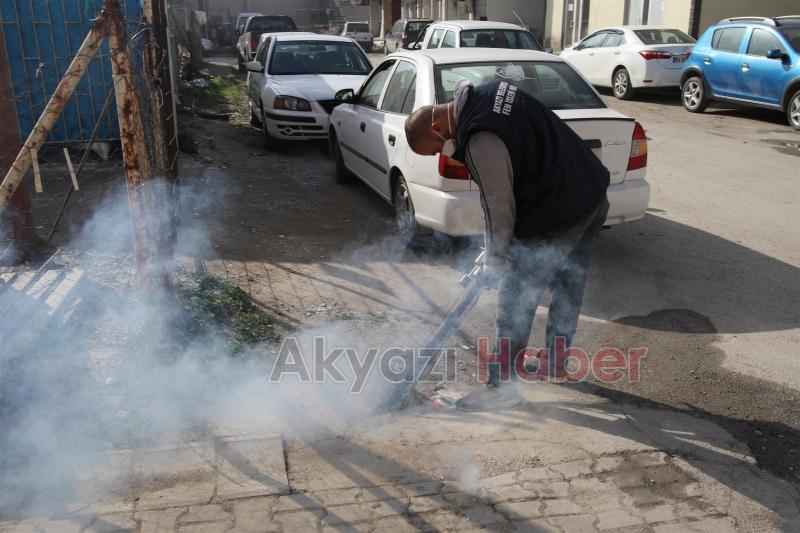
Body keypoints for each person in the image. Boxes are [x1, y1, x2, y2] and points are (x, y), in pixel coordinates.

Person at [404, 79, 609, 404]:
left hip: (560, 210)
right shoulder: (489, 92)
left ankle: (502, 389)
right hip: (590, 193)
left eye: (434, 148)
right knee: (568, 282)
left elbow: (499, 205)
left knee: (515, 296)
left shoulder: (480, 137)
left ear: (437, 126)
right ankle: (556, 362)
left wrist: (496, 259)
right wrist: (493, 248)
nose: (441, 152)